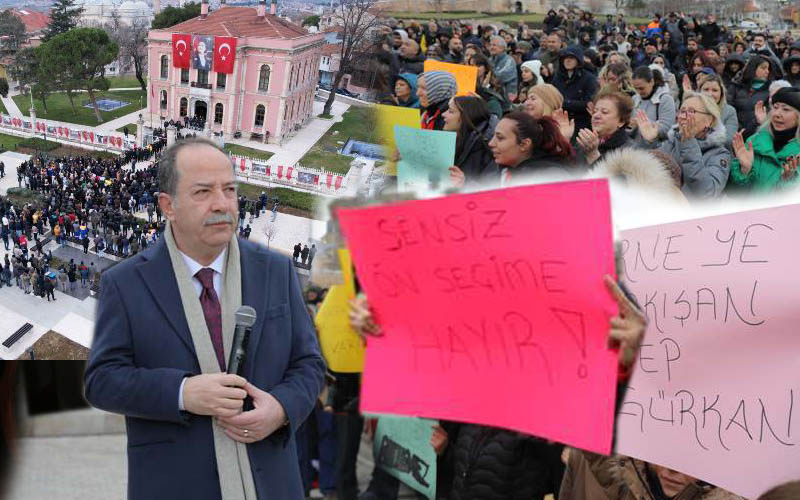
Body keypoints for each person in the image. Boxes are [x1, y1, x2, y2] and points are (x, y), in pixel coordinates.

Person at [84, 137, 325, 500]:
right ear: (169, 206)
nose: (222, 204)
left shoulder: (275, 270)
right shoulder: (126, 283)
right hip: (174, 483)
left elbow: (309, 363)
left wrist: (280, 409)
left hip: (270, 480)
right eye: (203, 192)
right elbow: (101, 380)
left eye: (229, 189)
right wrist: (182, 393)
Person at [637, 91, 731, 198]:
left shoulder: (720, 154)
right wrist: (650, 142)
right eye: (682, 111)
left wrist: (688, 142)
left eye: (691, 111)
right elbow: (647, 172)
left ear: (710, 120)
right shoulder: (673, 142)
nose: (683, 116)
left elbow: (706, 192)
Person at [729, 87, 800, 192]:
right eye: (775, 108)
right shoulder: (754, 142)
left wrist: (787, 182)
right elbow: (734, 193)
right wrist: (744, 171)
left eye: (785, 109)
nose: (776, 114)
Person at [488, 111, 575, 184]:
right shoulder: (501, 173)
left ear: (524, 144)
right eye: (493, 136)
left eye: (500, 138)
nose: (491, 143)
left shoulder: (551, 178)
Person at [444, 95, 501, 187]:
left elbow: (491, 191)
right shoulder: (456, 140)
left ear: (466, 117)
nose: (443, 114)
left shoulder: (488, 147)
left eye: (451, 111)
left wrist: (464, 183)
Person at [576, 89, 634, 165]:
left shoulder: (628, 151)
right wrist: (564, 140)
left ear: (621, 121)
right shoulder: (586, 142)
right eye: (595, 111)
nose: (596, 116)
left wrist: (593, 155)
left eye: (604, 112)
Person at [552, 45, 598, 135]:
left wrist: (565, 103)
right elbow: (552, 98)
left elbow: (589, 104)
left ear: (578, 60)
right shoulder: (557, 77)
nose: (568, 60)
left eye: (571, 58)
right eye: (565, 58)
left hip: (581, 123)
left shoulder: (589, 78)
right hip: (559, 121)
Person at [728, 55, 778, 138]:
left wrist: (750, 129)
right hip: (735, 133)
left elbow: (768, 114)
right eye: (763, 68)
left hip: (758, 134)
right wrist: (737, 128)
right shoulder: (736, 85)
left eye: (768, 69)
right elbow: (729, 108)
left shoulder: (770, 89)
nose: (767, 71)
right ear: (753, 68)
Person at [631, 66, 676, 142]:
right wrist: (630, 126)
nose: (638, 92)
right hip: (638, 146)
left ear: (652, 82)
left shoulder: (665, 99)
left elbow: (666, 129)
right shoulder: (635, 98)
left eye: (641, 88)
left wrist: (644, 124)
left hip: (658, 148)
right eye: (636, 88)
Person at [699, 74, 738, 147]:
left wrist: (701, 145)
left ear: (721, 93)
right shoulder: (691, 109)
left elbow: (728, 139)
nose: (710, 94)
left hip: (720, 153)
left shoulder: (729, 111)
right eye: (706, 89)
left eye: (715, 90)